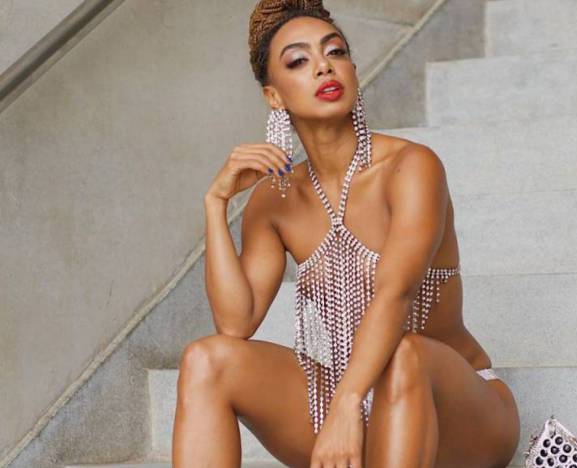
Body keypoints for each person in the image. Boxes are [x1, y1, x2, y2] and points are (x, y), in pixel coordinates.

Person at [172, 1, 520, 467]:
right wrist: (215, 205)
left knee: (405, 355)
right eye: (299, 61)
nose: (323, 66)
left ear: (352, 69)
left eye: (335, 52)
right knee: (206, 360)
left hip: (459, 414)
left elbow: (395, 295)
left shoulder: (411, 168)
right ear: (274, 96)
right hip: (355, 404)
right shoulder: (275, 200)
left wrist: (346, 404)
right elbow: (236, 324)